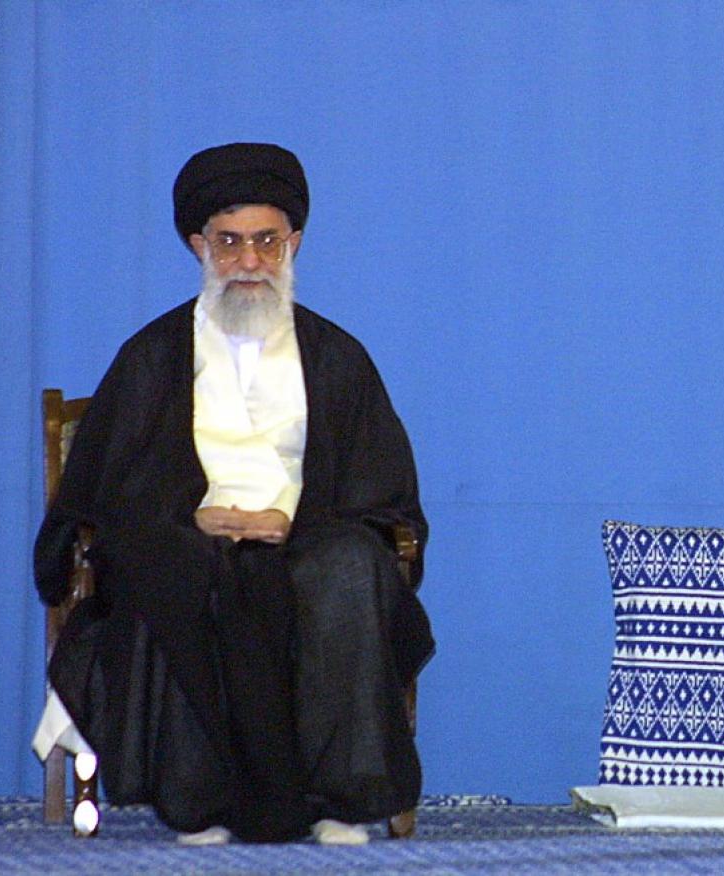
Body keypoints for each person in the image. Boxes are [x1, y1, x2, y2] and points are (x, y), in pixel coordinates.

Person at [34, 143, 434, 845]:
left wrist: (293, 520)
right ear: (199, 245)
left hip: (305, 535)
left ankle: (341, 799)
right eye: (229, 242)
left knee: (350, 565)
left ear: (293, 243)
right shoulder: (152, 356)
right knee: (168, 564)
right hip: (189, 540)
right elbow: (106, 492)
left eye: (266, 241)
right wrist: (188, 516)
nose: (249, 260)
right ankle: (199, 801)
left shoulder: (336, 356)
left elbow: (382, 490)